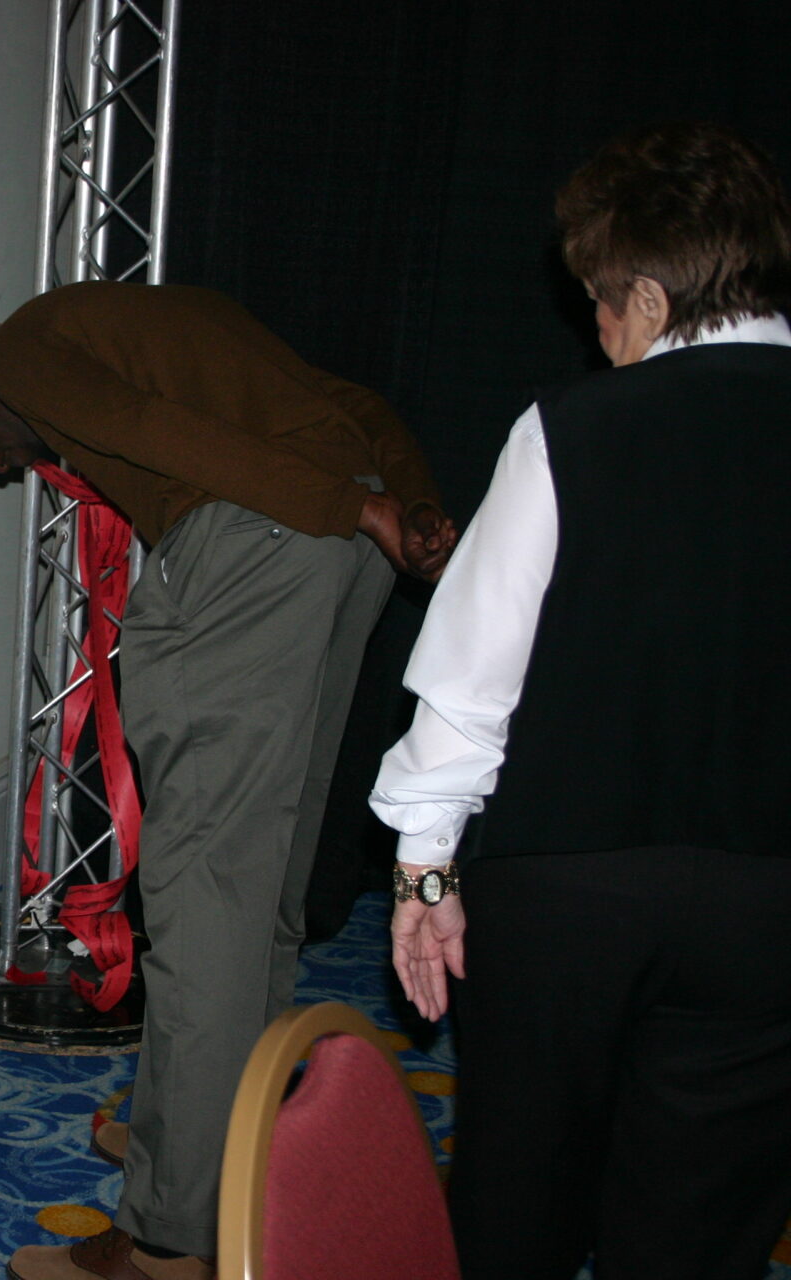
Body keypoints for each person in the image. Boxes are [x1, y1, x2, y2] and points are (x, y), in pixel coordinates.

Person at [0, 282, 457, 1280]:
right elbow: (354, 404)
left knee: (204, 902)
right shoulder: (149, 322)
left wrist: (356, 507)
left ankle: (169, 1240)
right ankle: (223, 1142)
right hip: (339, 557)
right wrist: (401, 503)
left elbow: (153, 431)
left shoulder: (26, 347)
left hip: (266, 542)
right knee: (260, 888)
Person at [370, 121, 791, 1280]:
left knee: (518, 1201)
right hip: (771, 903)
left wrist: (424, 874)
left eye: (601, 303)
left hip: (567, 890)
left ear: (649, 298)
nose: (596, 331)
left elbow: (472, 681)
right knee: (701, 1230)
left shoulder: (570, 427)